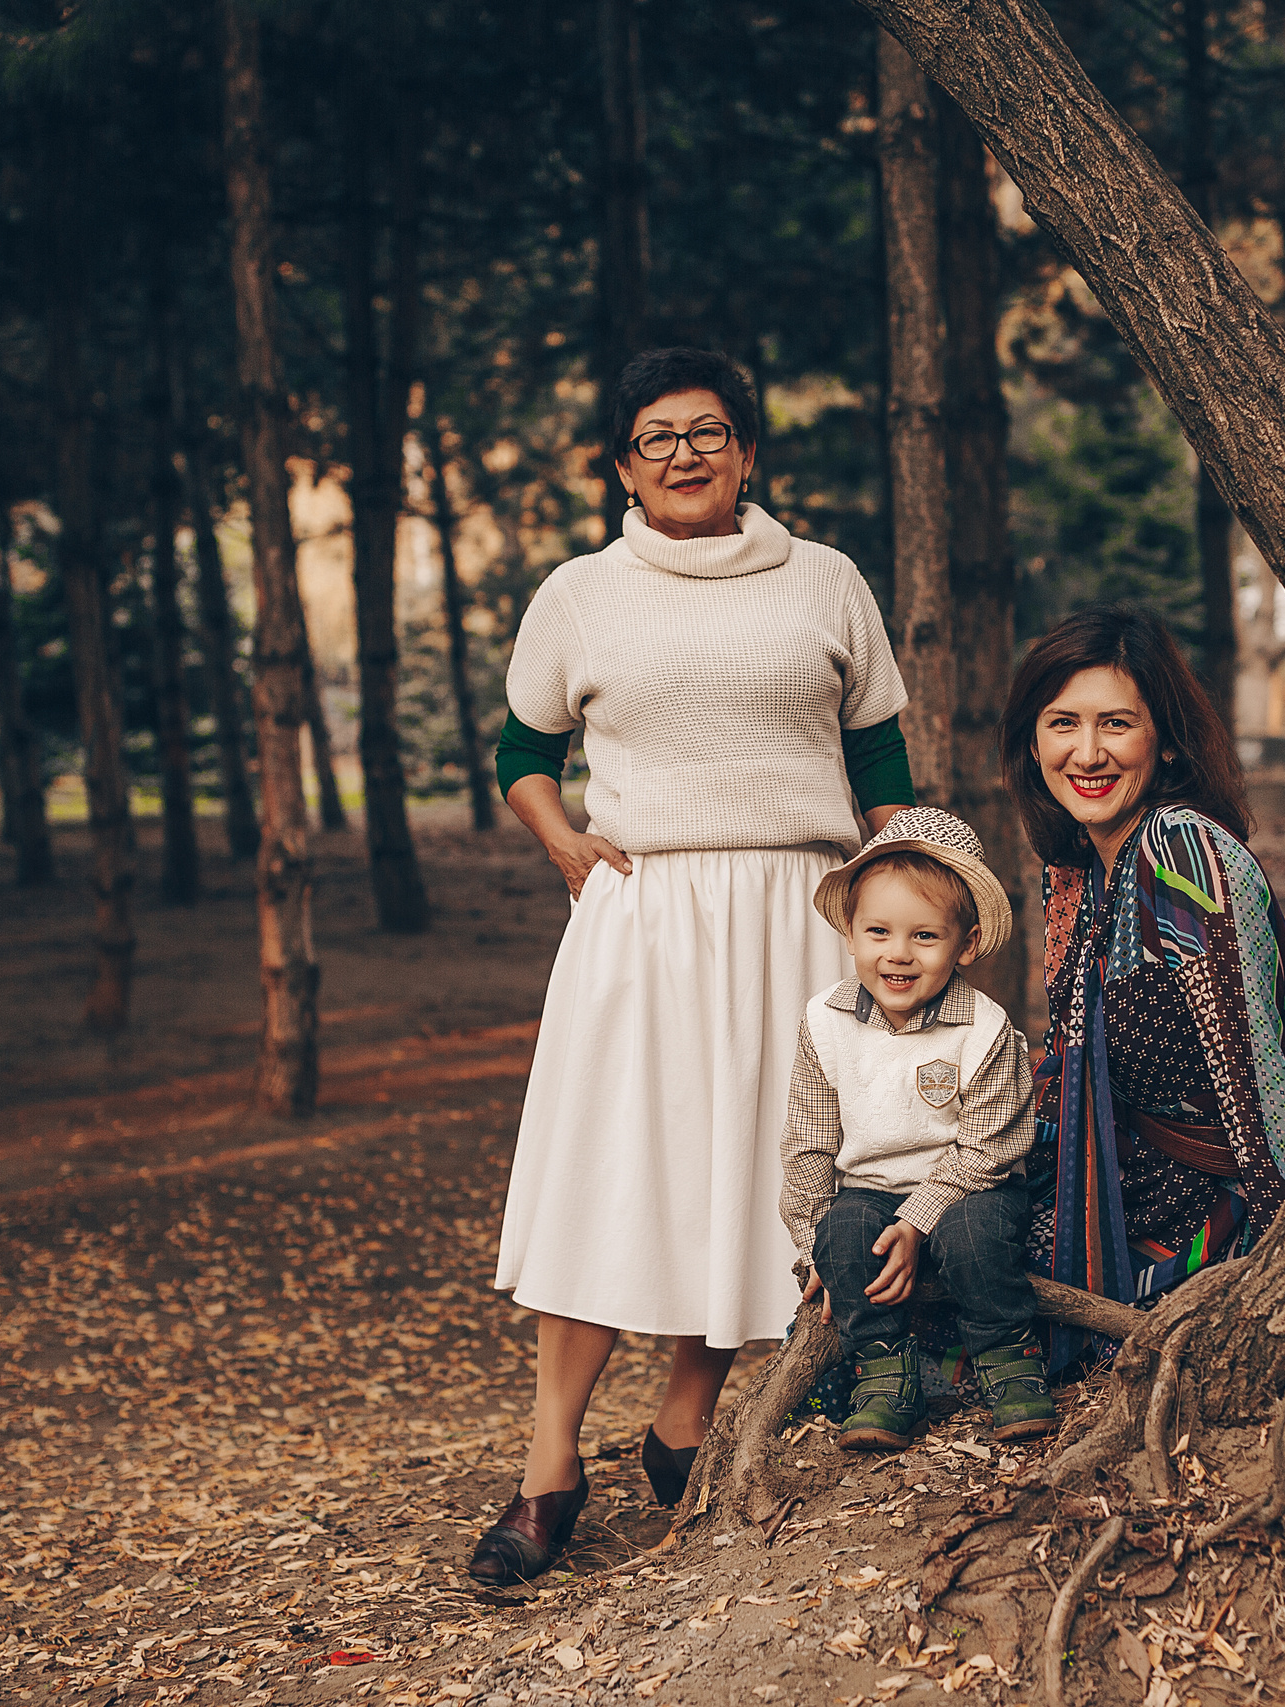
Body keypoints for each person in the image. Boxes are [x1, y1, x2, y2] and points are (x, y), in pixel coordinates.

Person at [473, 348, 916, 1584]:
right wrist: (560, 839)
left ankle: (682, 1425)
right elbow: (522, 745)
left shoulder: (825, 583)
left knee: (756, 1176)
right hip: (644, 911)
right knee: (610, 1169)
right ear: (622, 465)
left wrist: (897, 897)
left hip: (798, 910)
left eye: (708, 431)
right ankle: (546, 1468)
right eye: (655, 435)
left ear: (747, 453)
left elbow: (879, 763)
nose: (683, 453)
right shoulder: (579, 593)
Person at [1000, 606, 1285, 1367]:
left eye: (1116, 723)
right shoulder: (1076, 870)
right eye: (1062, 723)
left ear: (1164, 740)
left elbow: (1259, 1085)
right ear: (1033, 742)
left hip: (1203, 1215)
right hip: (1110, 1185)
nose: (1087, 751)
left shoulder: (1182, 850)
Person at [778, 808, 1057, 1451]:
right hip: (869, 1188)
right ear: (851, 935)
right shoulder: (826, 1021)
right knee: (844, 1233)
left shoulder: (982, 1029)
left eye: (925, 937)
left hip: (966, 1185)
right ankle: (882, 1370)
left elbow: (992, 1142)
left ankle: (1006, 1356)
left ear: (965, 944)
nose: (897, 954)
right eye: (878, 931)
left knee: (979, 1236)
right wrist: (812, 1247)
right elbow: (811, 1140)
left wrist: (917, 1221)